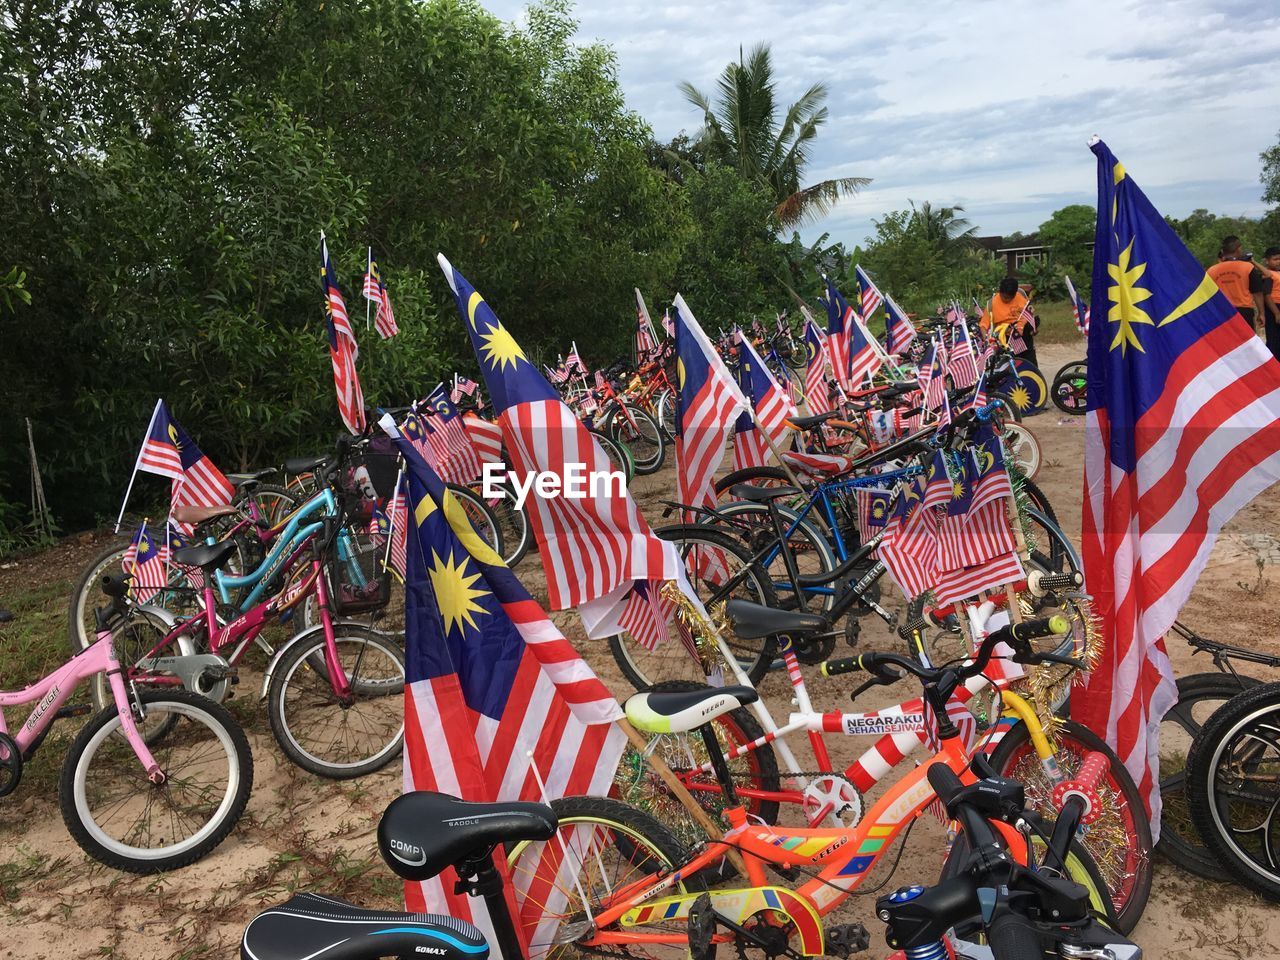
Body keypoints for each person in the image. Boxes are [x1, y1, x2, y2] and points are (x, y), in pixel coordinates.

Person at [1207, 235, 1266, 332]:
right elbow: (1257, 293)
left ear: (1223, 252)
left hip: (1221, 312)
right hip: (1244, 311)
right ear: (1238, 249)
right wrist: (1261, 313)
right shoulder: (1248, 267)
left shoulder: (1211, 270)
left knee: (1227, 344)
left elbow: (1208, 294)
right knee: (1246, 343)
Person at [980, 276, 1037, 366]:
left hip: (1023, 335)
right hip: (1006, 338)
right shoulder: (992, 304)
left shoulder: (1020, 297)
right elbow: (983, 326)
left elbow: (1028, 312)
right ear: (1000, 292)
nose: (1007, 300)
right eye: (1005, 297)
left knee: (1030, 364)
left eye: (1010, 298)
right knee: (1013, 365)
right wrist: (987, 341)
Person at [1263, 247, 1280, 362]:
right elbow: (1267, 296)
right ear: (1267, 261)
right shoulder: (1268, 275)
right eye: (1275, 259)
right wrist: (1276, 313)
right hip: (1273, 308)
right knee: (1274, 339)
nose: (1278, 261)